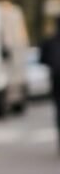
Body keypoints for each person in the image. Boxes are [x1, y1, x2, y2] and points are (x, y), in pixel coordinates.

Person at [39, 16, 60, 153]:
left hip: (56, 81)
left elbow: (42, 60)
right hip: (56, 82)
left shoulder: (50, 41)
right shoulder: (49, 42)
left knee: (58, 112)